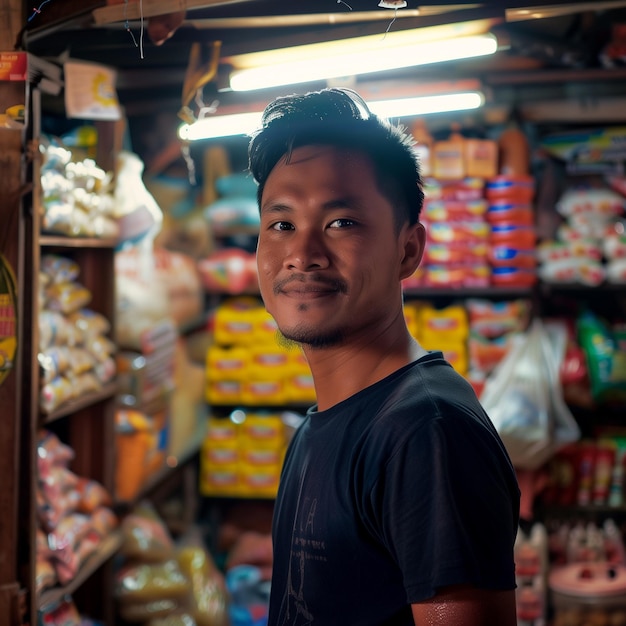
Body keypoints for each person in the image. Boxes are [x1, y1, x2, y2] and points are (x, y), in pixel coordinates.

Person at [248, 87, 520, 626]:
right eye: (281, 224)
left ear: (408, 249)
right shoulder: (327, 423)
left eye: (341, 222)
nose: (302, 254)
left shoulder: (426, 434)